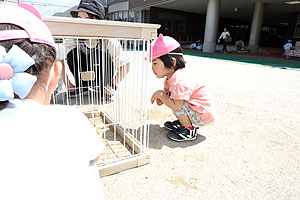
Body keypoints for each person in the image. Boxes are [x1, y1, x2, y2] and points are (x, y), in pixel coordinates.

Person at [0, 4, 104, 199]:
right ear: (55, 73)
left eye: (85, 18)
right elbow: (95, 155)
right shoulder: (71, 119)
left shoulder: (107, 45)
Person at [55, 0, 130, 104]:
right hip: (82, 78)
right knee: (73, 53)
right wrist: (68, 84)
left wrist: (112, 85)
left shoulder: (108, 40)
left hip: (103, 83)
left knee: (100, 54)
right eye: (79, 19)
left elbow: (126, 65)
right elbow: (57, 59)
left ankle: (102, 88)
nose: (82, 23)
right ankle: (82, 87)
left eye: (87, 19)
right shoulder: (73, 38)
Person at [150, 34, 216, 142]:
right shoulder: (170, 78)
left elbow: (177, 106)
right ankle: (183, 122)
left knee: (177, 104)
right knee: (175, 100)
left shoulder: (179, 80)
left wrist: (160, 94)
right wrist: (163, 98)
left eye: (155, 63)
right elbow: (167, 97)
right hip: (196, 109)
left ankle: (188, 129)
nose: (152, 68)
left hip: (202, 115)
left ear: (172, 62)